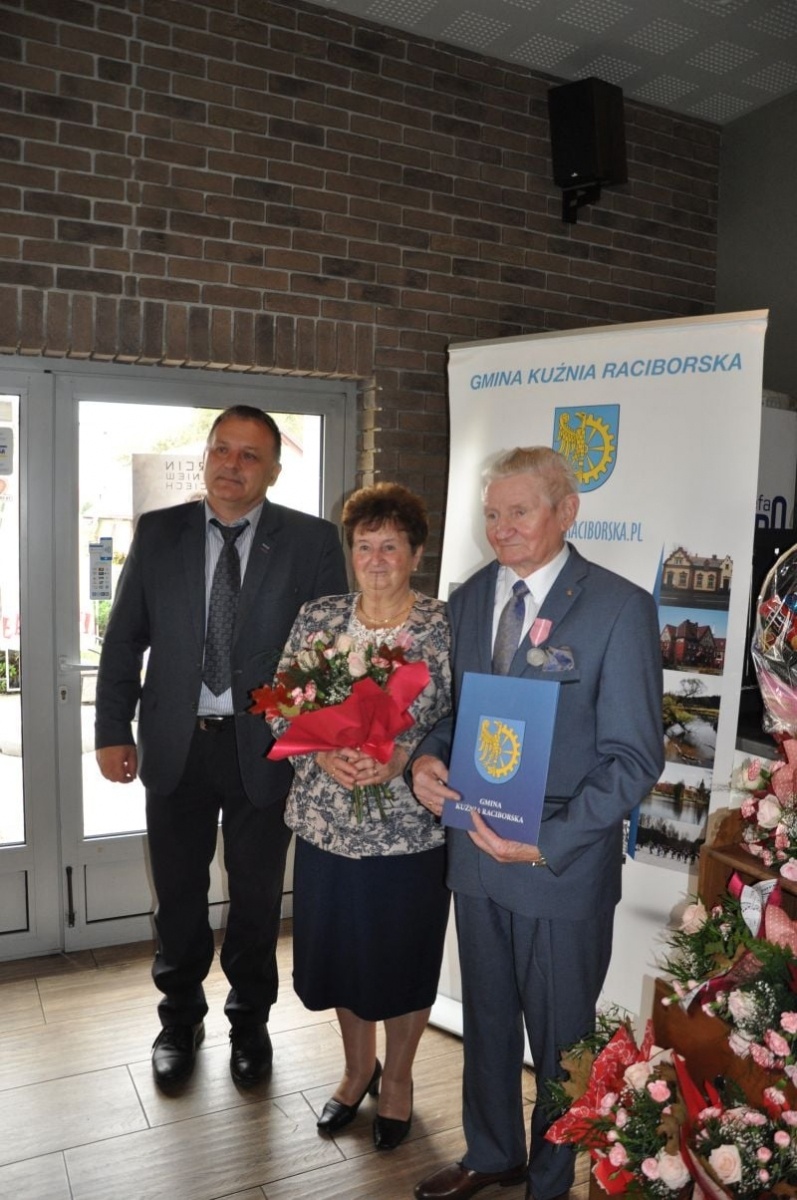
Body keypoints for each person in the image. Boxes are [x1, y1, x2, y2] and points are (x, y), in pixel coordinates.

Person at [411, 448, 664, 1200]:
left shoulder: (618, 607)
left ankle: (551, 1179)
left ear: (565, 511)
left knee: (560, 1043)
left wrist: (547, 841)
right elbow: (453, 716)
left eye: (518, 511)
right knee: (486, 1020)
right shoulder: (466, 600)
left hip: (558, 868)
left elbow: (631, 759)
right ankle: (491, 1153)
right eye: (492, 513)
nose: (502, 528)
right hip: (476, 854)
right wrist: (425, 761)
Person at [94, 405, 347, 1090]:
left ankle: (249, 1020)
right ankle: (178, 1018)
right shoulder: (159, 532)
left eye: (249, 455)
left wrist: (312, 734)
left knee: (258, 896)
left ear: (272, 468)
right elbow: (125, 639)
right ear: (205, 456)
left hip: (263, 750)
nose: (231, 466)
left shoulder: (311, 540)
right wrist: (113, 730)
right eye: (221, 450)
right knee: (177, 893)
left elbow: (327, 653)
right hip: (175, 746)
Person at [270, 483, 451, 1151]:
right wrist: (321, 756)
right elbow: (280, 704)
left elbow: (465, 720)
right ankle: (355, 1070)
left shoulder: (444, 627)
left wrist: (403, 754)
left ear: (416, 553)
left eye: (390, 546)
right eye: (363, 545)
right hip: (326, 828)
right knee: (341, 955)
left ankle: (398, 1079)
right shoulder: (318, 616)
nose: (374, 559)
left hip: (410, 831)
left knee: (401, 956)